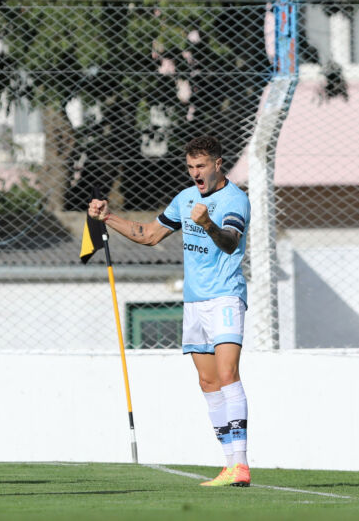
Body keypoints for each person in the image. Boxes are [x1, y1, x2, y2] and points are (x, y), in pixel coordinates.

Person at [88, 135, 251, 487]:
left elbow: (230, 243)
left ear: (218, 164)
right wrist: (107, 217)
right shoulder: (185, 198)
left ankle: (241, 462)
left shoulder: (234, 200)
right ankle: (229, 466)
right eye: (190, 166)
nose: (195, 173)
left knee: (227, 373)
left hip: (225, 297)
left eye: (201, 166)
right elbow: (149, 235)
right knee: (208, 381)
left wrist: (207, 224)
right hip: (194, 301)